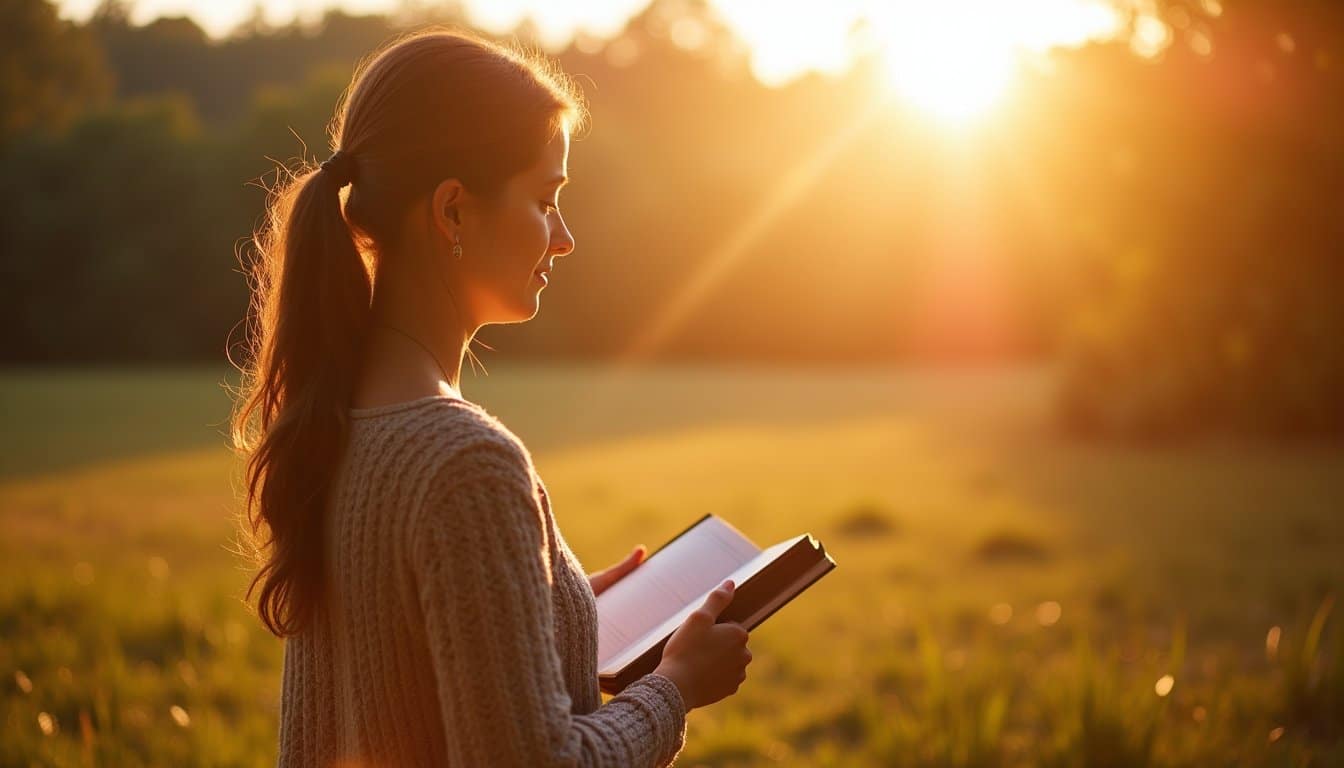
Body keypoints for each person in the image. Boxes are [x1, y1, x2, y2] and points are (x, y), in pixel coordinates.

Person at [229, 28, 752, 767]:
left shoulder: (334, 418)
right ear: (453, 213)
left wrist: (556, 607)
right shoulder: (464, 462)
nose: (564, 238)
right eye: (545, 201)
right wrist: (674, 687)